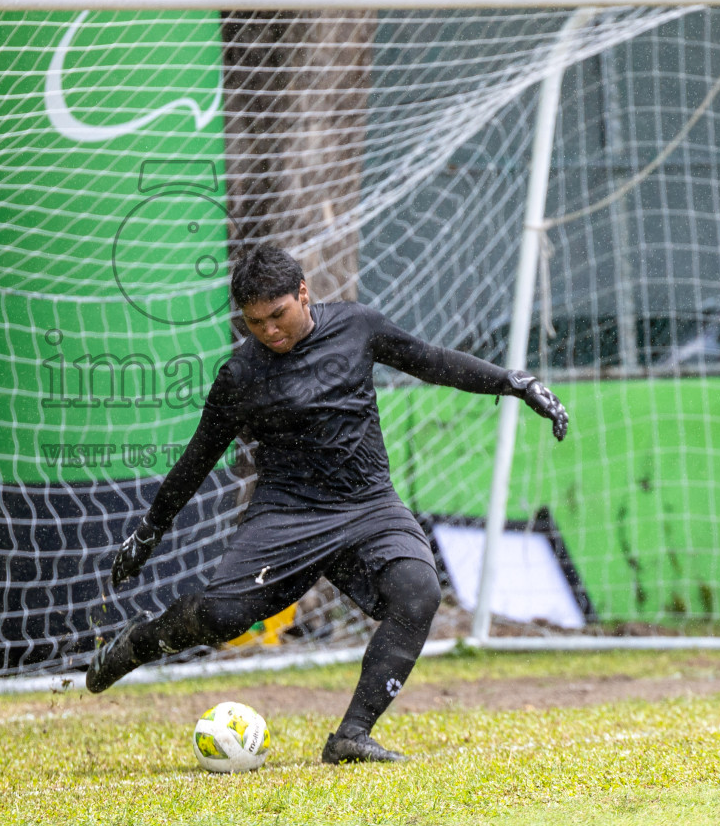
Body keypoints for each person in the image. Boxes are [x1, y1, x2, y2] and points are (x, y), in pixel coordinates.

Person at [87, 244, 568, 764]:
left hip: (368, 506)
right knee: (221, 617)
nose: (269, 331)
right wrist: (148, 532)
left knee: (419, 592)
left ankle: (351, 736)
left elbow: (433, 362)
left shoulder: (360, 327)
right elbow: (197, 459)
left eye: (278, 315)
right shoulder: (240, 377)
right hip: (287, 515)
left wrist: (515, 383)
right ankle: (140, 642)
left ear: (303, 294)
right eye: (254, 322)